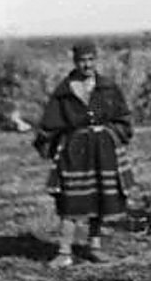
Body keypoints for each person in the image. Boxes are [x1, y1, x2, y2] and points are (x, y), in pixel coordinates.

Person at [33, 40, 134, 268]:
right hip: (75, 152)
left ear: (96, 60)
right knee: (70, 199)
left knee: (99, 197)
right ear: (75, 62)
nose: (86, 65)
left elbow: (123, 117)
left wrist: (111, 134)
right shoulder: (64, 91)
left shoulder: (107, 87)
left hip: (103, 150)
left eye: (90, 60)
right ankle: (64, 251)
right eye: (82, 61)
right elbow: (50, 123)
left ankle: (94, 246)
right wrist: (50, 144)